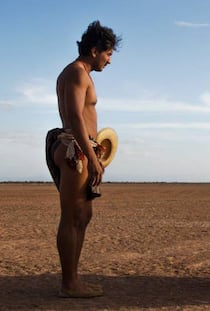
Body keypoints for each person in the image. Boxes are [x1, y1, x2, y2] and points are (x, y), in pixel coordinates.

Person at [45, 20, 121, 298]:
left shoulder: (80, 73)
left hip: (81, 148)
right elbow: (75, 116)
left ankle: (73, 279)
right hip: (75, 151)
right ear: (94, 50)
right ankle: (69, 284)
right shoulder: (77, 73)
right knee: (72, 217)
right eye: (108, 54)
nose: (109, 61)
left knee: (83, 216)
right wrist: (91, 156)